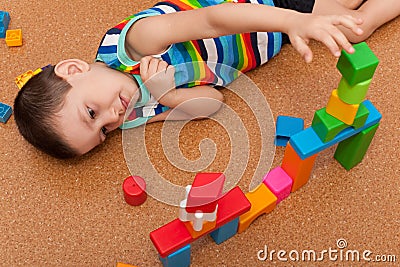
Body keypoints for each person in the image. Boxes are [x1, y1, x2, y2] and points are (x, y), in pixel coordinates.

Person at [13, 0, 400, 159]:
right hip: (273, 38)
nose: (111, 119)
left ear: (74, 70)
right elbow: (212, 104)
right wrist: (167, 96)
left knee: (350, 18)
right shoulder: (132, 109)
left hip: (266, 8)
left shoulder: (131, 44)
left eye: (91, 111)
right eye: (102, 133)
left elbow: (212, 20)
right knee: (356, 26)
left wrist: (293, 19)